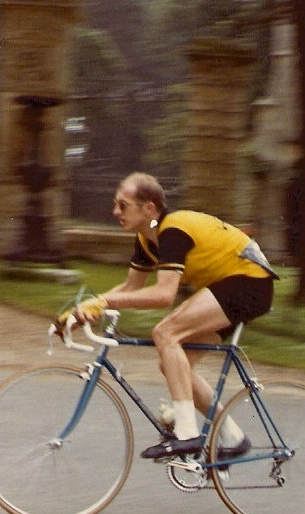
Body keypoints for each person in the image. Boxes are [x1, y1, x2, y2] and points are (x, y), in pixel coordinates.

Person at [58, 172, 278, 460]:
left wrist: (103, 302)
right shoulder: (147, 237)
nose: (115, 211)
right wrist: (81, 312)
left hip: (249, 283)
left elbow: (164, 296)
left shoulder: (172, 230)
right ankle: (233, 438)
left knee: (165, 333)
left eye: (122, 205)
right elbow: (131, 288)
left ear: (148, 208)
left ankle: (187, 433)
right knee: (174, 364)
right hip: (228, 288)